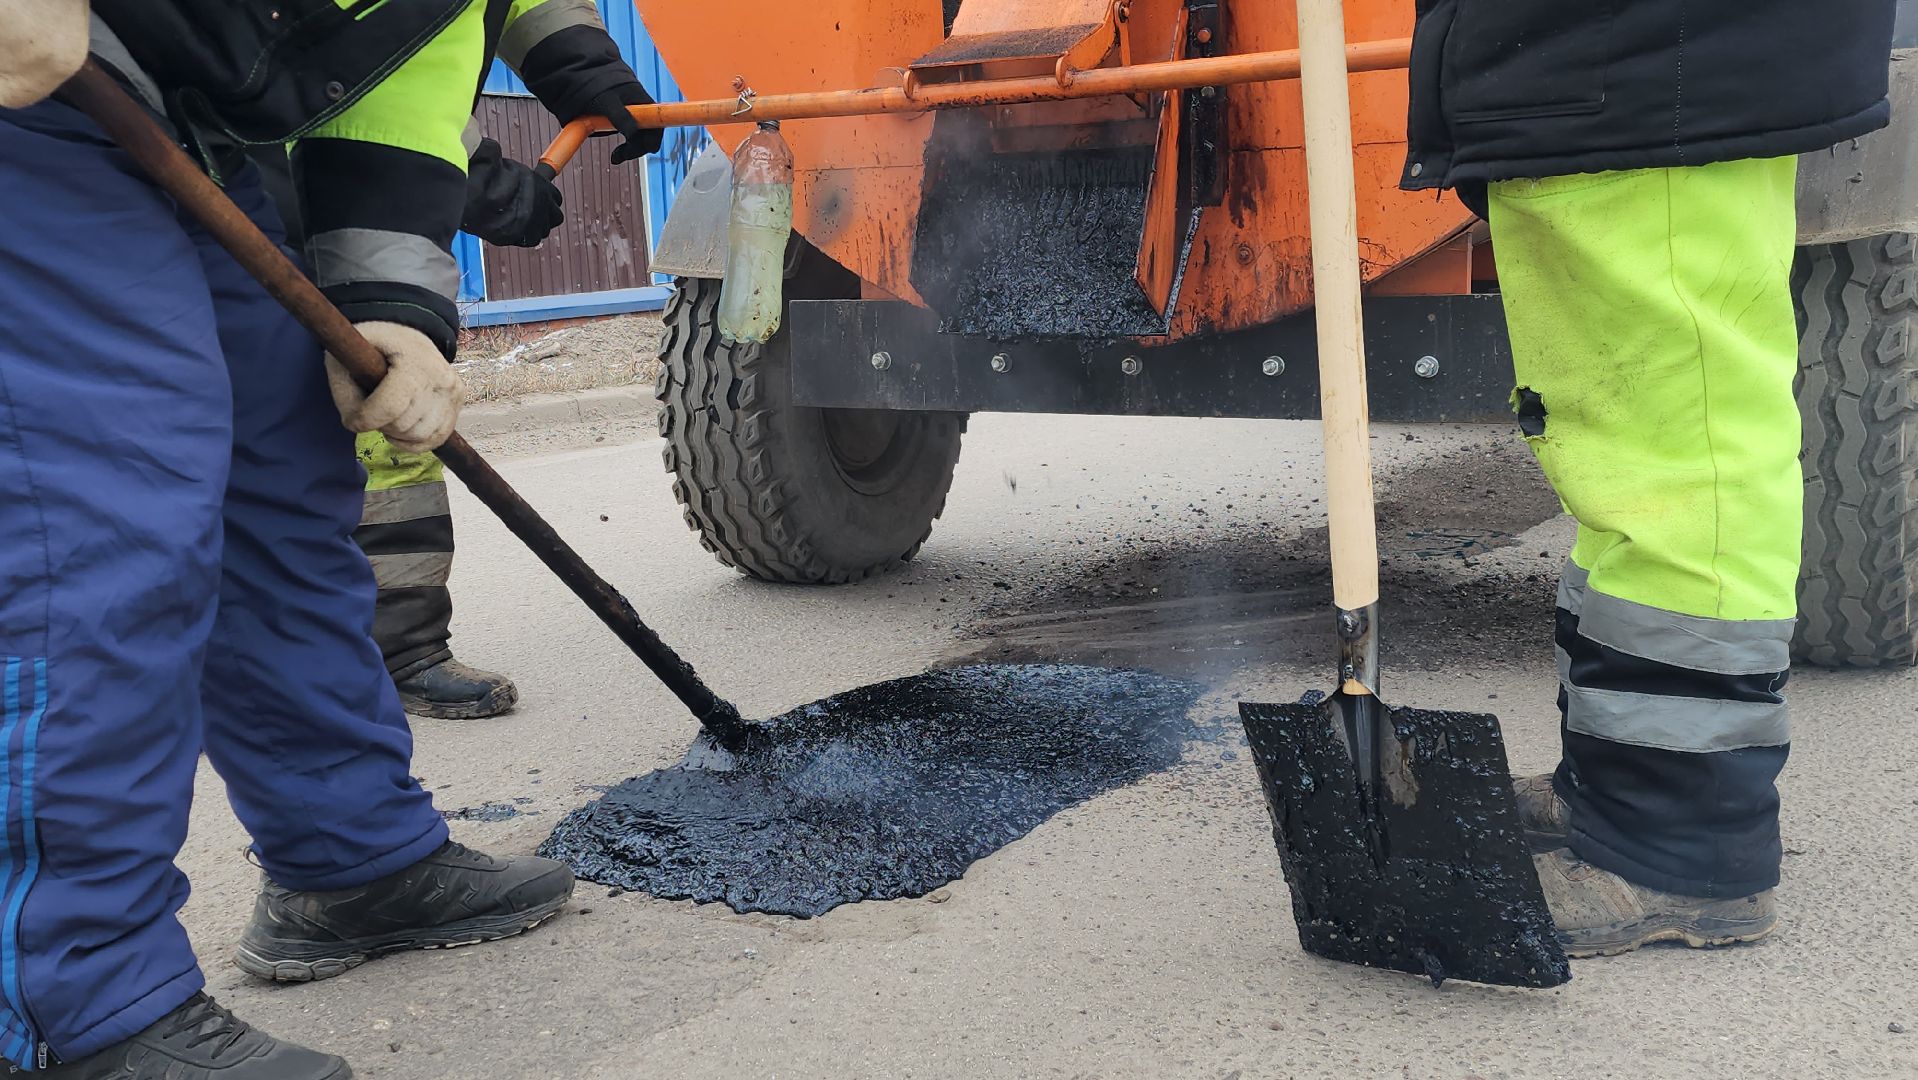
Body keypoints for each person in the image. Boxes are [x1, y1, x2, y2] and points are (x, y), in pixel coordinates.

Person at [0, 1, 605, 1074]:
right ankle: (63, 1000)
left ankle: (352, 858)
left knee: (279, 461)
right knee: (102, 488)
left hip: (159, 112)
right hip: (25, 91)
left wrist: (395, 313)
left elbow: (393, 99)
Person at [1400, 0, 1900, 956]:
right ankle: (1619, 783)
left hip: (1658, 66)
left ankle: (1679, 848)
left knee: (1681, 470)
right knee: (1619, 463)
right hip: (1600, 71)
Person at [351, 0, 662, 720]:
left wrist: (587, 69)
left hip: (365, 187)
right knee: (283, 443)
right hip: (274, 177)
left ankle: (399, 651)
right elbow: (372, 73)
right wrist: (483, 179)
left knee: (396, 421)